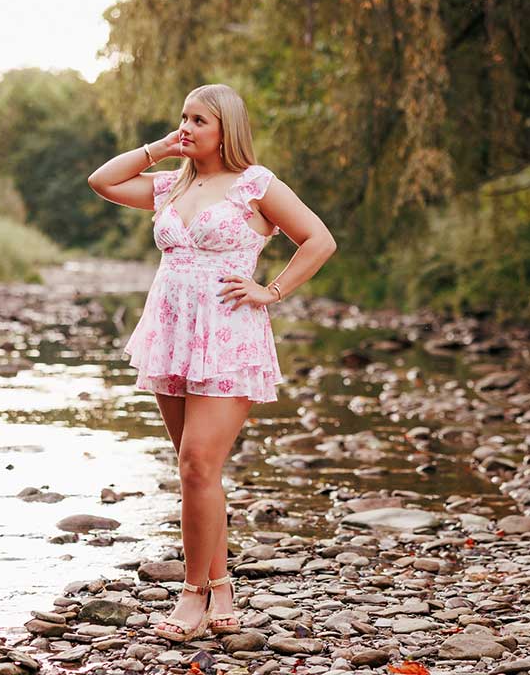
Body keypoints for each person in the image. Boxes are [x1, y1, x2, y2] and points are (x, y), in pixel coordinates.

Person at [86, 84, 337, 642]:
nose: (187, 127)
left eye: (200, 120)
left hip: (228, 336)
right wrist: (159, 148)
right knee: (196, 473)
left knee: (198, 464)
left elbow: (319, 240)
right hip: (172, 333)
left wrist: (271, 291)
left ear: (227, 128)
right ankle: (220, 586)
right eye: (184, 117)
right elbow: (102, 181)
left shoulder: (255, 184)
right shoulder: (170, 185)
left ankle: (192, 594)